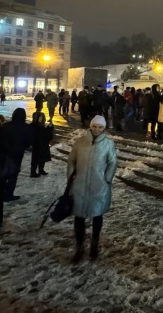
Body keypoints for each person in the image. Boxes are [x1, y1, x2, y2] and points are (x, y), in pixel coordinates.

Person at [66, 115, 118, 262]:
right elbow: (71, 161)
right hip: (80, 185)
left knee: (97, 215)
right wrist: (71, 179)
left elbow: (112, 162)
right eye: (94, 126)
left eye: (100, 127)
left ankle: (94, 243)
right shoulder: (80, 142)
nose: (97, 129)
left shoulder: (108, 144)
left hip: (98, 185)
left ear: (104, 128)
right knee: (79, 216)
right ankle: (79, 246)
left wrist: (107, 179)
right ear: (90, 126)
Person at [1, 108, 32, 201]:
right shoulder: (26, 127)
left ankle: (1, 191)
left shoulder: (6, 126)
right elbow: (29, 141)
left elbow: (1, 138)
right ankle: (9, 194)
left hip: (6, 152)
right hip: (18, 153)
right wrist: (23, 146)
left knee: (4, 172)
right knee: (14, 174)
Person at [30, 112, 54, 177]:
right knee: (35, 159)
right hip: (37, 145)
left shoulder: (41, 126)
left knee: (42, 158)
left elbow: (46, 134)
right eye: (40, 117)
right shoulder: (33, 125)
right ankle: (33, 172)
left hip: (43, 145)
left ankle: (41, 170)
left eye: (42, 117)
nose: (41, 119)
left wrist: (49, 128)